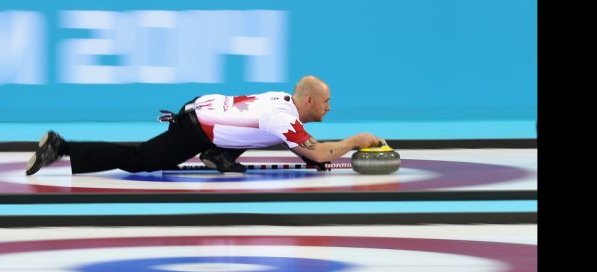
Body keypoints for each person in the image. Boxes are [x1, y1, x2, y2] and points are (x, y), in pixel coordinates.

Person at [26, 75, 383, 175]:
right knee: (143, 160)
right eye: (326, 102)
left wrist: (314, 157)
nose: (329, 107)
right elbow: (317, 151)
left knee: (253, 132)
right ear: (309, 101)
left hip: (203, 109)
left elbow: (308, 150)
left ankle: (217, 154)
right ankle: (61, 146)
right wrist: (355, 140)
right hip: (196, 125)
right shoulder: (283, 118)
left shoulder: (281, 101)